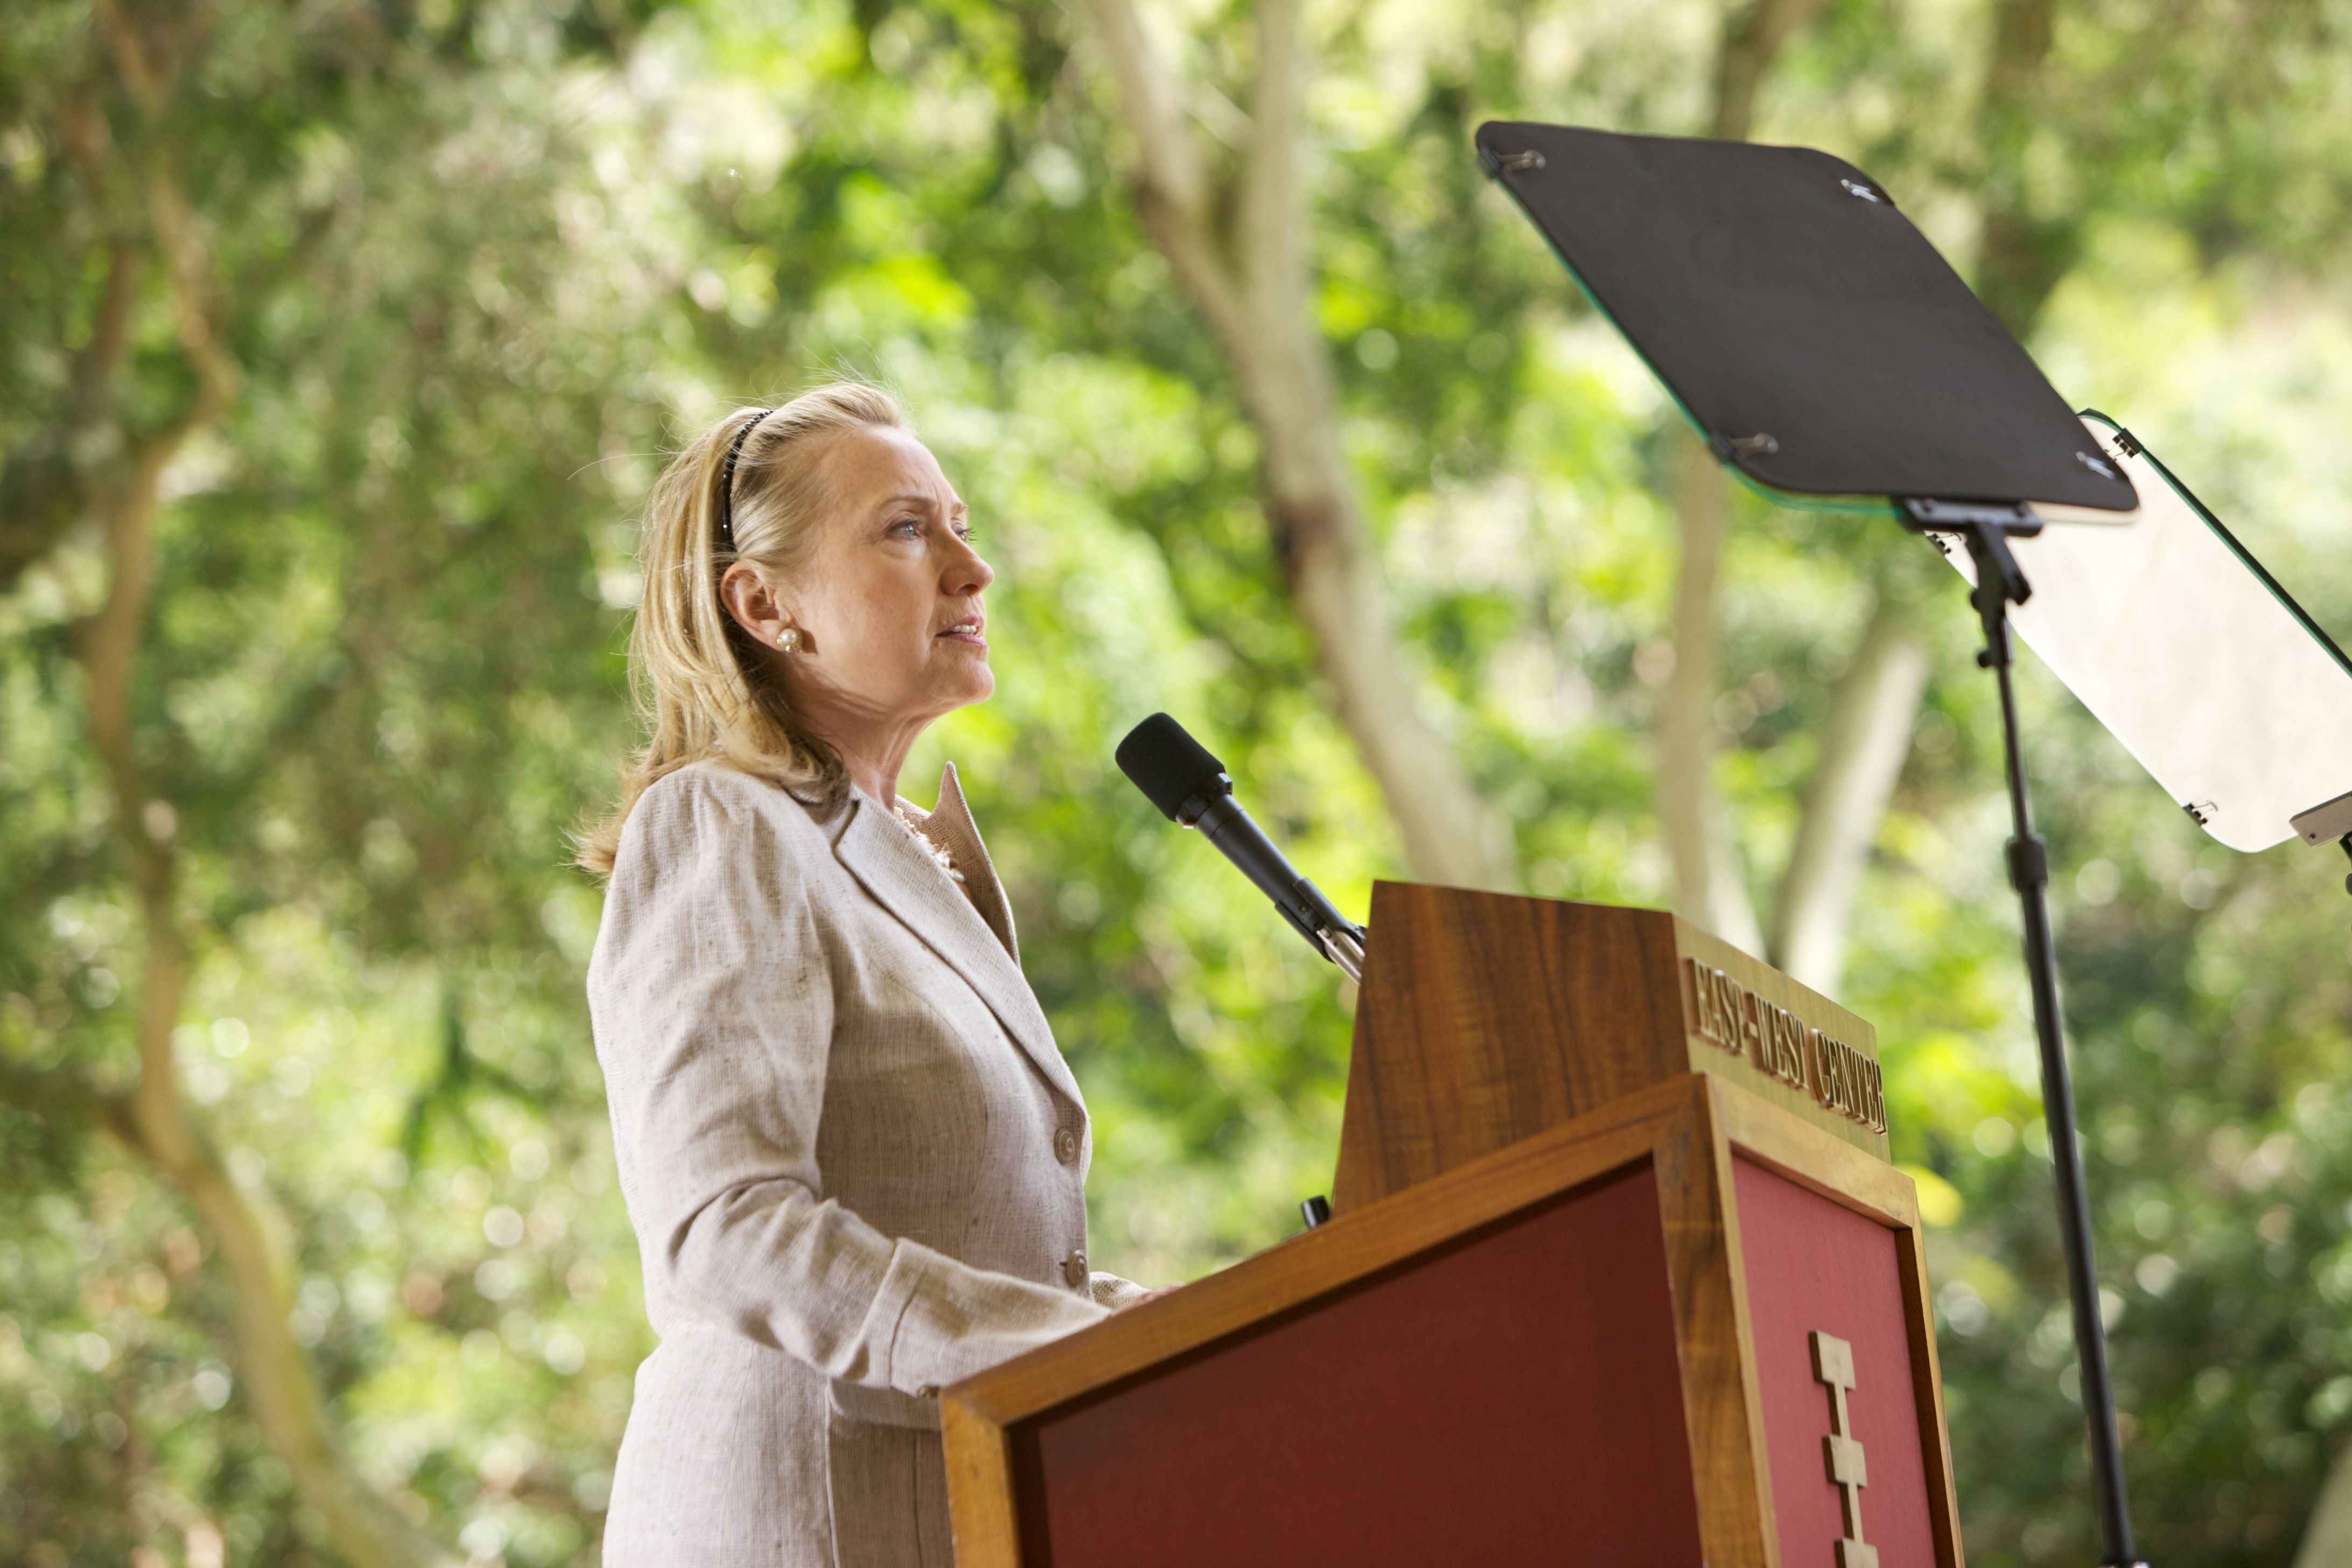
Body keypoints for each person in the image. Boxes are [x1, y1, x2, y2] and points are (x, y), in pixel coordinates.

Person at [578, 383, 1160, 1567]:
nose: (971, 568)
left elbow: (972, 1243)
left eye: (958, 522)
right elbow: (727, 1228)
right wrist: (1075, 1356)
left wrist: (1176, 1328)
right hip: (802, 1521)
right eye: (907, 529)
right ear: (766, 604)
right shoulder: (725, 823)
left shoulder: (904, 854)